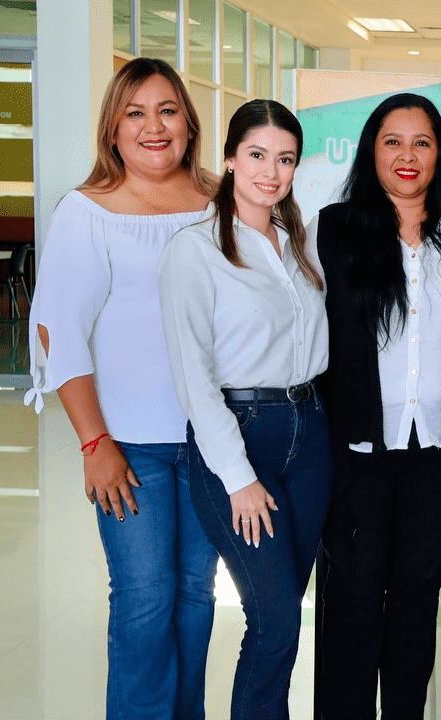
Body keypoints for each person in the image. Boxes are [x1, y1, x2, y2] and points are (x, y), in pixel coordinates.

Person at [26, 57, 216, 720]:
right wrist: (94, 443)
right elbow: (57, 332)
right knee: (144, 600)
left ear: (189, 124)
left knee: (195, 597)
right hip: (130, 447)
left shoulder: (225, 203)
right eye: (135, 113)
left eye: (167, 111)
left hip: (214, 441)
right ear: (113, 128)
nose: (153, 127)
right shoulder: (87, 212)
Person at [159, 99, 330, 720]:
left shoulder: (300, 244)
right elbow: (194, 378)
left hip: (310, 436)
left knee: (283, 620)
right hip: (241, 436)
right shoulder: (194, 250)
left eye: (285, 159)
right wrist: (238, 477)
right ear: (230, 159)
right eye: (257, 155)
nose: (271, 172)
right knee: (275, 619)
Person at [313, 93, 441, 719]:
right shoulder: (334, 229)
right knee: (353, 601)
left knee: (416, 602)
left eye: (422, 142)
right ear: (371, 150)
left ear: (440, 154)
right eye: (393, 141)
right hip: (359, 449)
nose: (407, 155)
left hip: (437, 451)